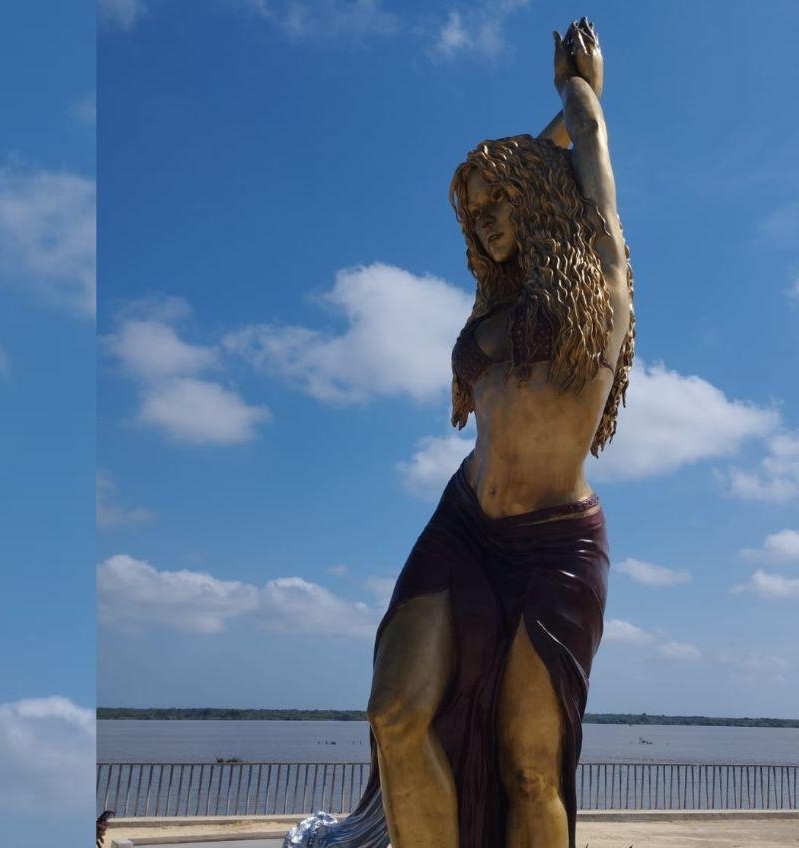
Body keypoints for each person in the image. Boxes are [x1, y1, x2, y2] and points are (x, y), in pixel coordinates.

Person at [287, 17, 633, 848]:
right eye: (472, 213)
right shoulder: (495, 310)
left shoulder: (603, 288)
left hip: (554, 548)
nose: (482, 225)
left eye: (498, 203)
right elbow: (530, 170)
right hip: (462, 526)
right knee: (396, 710)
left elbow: (582, 145)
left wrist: (576, 86)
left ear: (540, 199)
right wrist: (503, 163)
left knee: (527, 767)